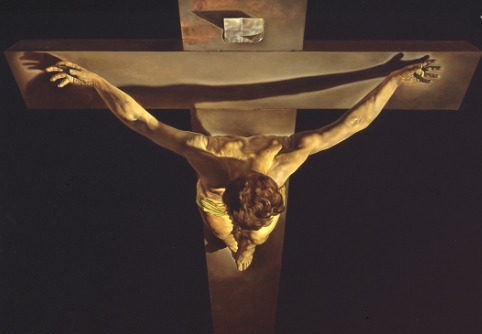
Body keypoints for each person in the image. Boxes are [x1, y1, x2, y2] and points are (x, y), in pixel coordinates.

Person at [47, 58, 441, 271]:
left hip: (244, 203)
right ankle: (234, 245)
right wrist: (96, 81)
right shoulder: (206, 157)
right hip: (215, 202)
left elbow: (353, 123)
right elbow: (142, 122)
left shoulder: (285, 161)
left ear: (273, 185)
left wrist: (394, 79)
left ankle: (247, 245)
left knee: (259, 236)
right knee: (223, 232)